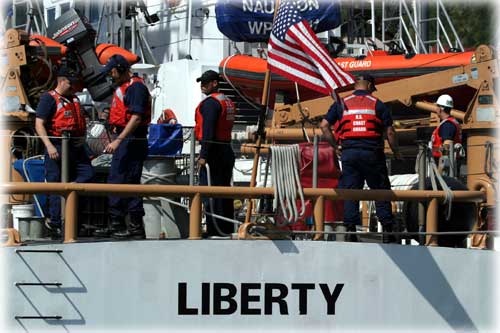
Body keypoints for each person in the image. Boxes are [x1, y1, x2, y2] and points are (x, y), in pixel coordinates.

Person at [320, 74, 400, 243]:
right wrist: (397, 152)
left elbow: (324, 126)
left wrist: (335, 146)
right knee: (380, 190)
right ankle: (388, 231)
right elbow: (390, 132)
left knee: (351, 191)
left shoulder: (341, 104)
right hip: (372, 154)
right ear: (370, 85)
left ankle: (350, 232)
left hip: (349, 154)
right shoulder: (377, 104)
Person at [93, 55, 151, 239]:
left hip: (132, 140)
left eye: (112, 72)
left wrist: (119, 140)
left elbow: (136, 118)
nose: (111, 77)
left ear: (121, 69)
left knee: (128, 181)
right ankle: (117, 222)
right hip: (126, 139)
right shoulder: (127, 87)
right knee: (117, 179)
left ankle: (133, 226)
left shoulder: (136, 88)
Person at [35, 66, 95, 238]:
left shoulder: (74, 99)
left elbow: (81, 121)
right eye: (70, 83)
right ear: (61, 81)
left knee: (88, 174)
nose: (73, 87)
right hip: (57, 145)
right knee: (56, 184)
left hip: (75, 146)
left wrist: (82, 138)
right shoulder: (49, 99)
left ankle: (74, 218)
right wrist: (49, 146)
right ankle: (56, 223)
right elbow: (39, 124)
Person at [195, 70, 236, 237]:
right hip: (226, 149)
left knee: (211, 193)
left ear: (215, 83)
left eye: (206, 82)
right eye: (201, 82)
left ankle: (215, 230)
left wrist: (203, 155)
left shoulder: (211, 104)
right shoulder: (227, 101)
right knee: (225, 192)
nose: (202, 85)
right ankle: (226, 229)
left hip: (214, 152)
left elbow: (209, 131)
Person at [430, 94, 461, 162]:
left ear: (440, 109)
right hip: (448, 165)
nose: (436, 109)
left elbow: (447, 148)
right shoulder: (451, 122)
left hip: (445, 167)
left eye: (437, 106)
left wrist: (441, 168)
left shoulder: (447, 125)